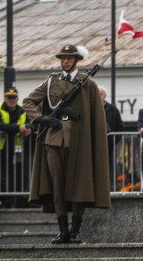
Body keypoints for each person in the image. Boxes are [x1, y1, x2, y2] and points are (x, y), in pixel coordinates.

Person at [23, 44, 110, 244]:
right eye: (63, 58)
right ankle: (63, 230)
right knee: (57, 185)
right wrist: (41, 119)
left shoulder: (87, 83)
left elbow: (95, 116)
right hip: (54, 139)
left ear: (77, 60)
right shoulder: (51, 81)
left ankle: (75, 230)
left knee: (80, 184)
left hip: (80, 141)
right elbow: (28, 102)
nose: (66, 61)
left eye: (70, 58)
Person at [0, 88, 32, 209]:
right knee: (0, 179)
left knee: (10, 179)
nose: (11, 100)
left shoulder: (22, 111)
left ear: (17, 99)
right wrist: (18, 128)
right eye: (8, 98)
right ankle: (0, 204)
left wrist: (28, 129)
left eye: (13, 98)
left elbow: (29, 123)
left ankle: (2, 204)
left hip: (11, 150)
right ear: (5, 98)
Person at [98, 86, 124, 191]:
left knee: (110, 168)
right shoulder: (89, 108)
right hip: (93, 145)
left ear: (105, 96)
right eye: (97, 94)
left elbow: (120, 127)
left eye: (101, 94)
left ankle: (110, 189)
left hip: (108, 145)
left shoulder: (112, 109)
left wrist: (113, 140)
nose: (99, 96)